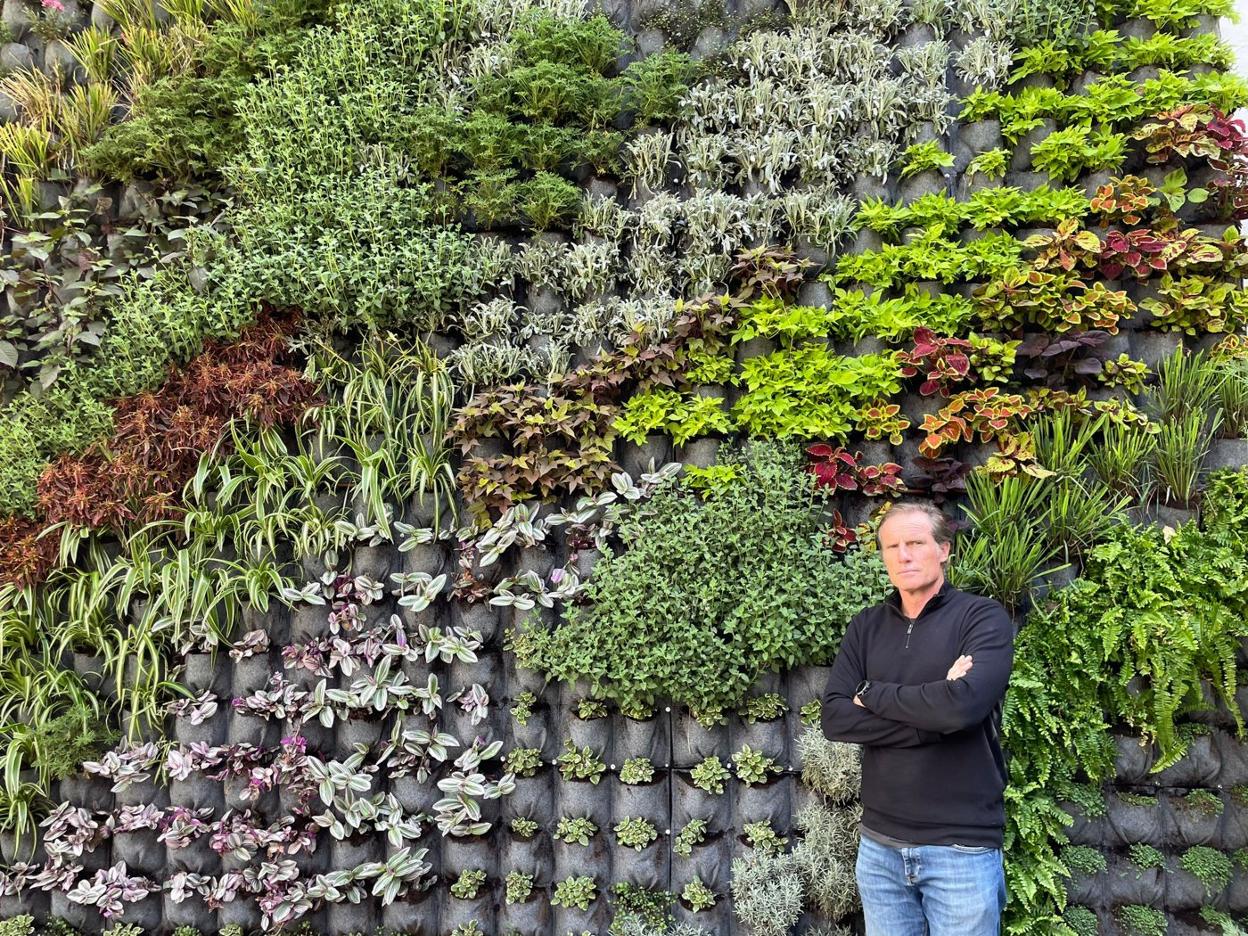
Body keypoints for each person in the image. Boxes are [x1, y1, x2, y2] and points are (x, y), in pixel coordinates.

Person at [821, 501, 1015, 936]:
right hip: (880, 847)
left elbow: (962, 708)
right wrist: (935, 716)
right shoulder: (866, 627)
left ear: (943, 549)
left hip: (961, 848)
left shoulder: (981, 619)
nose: (903, 555)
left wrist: (870, 693)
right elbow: (835, 719)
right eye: (892, 546)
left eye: (915, 543)